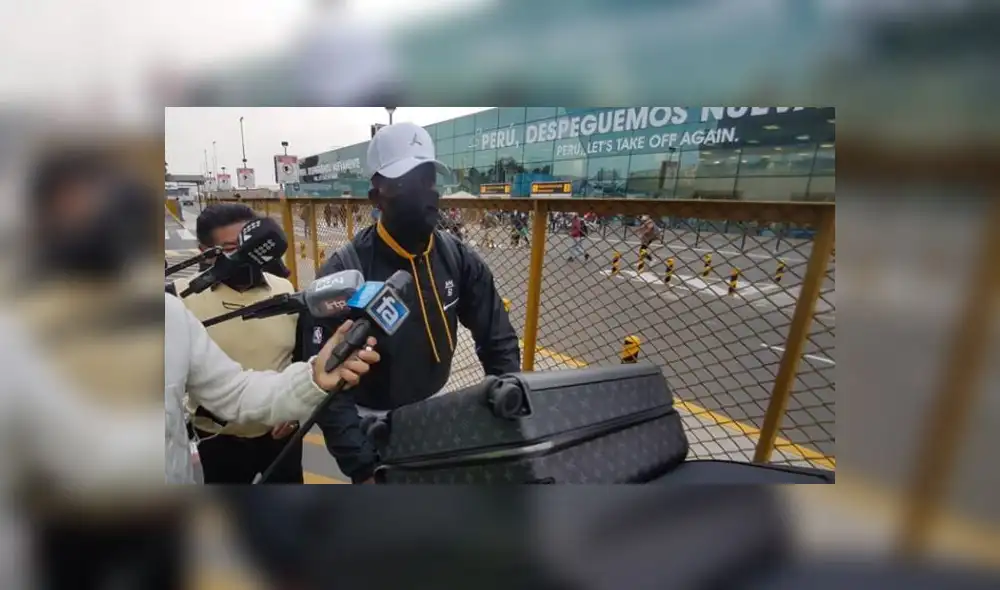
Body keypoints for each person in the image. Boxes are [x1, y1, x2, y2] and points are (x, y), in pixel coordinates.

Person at [299, 121, 521, 479]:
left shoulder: (458, 258)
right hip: (371, 423)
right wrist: (361, 465)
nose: (422, 193)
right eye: (403, 183)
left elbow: (497, 338)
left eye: (427, 179)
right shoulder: (345, 272)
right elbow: (325, 383)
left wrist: (510, 399)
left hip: (438, 409)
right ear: (376, 197)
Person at [172, 203, 303, 484]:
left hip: (281, 435)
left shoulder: (285, 289)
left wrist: (294, 411)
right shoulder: (180, 301)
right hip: (219, 440)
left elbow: (299, 357)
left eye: (251, 244)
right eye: (232, 248)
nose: (246, 256)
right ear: (204, 252)